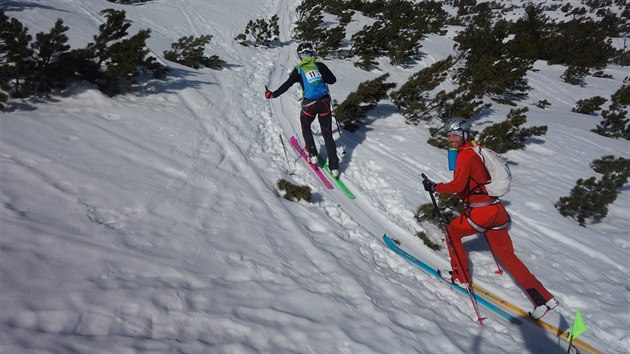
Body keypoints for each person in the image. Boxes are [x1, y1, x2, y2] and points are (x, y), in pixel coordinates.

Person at [422, 118, 559, 320]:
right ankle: (544, 299)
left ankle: (460, 277)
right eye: (449, 135)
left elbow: (458, 186)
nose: (452, 139)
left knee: (452, 233)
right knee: (508, 258)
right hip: (496, 211)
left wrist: (435, 187)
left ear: (465, 135)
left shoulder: (466, 156)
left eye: (456, 135)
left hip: (482, 213)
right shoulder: (474, 151)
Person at [265, 42, 340, 178]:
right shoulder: (319, 65)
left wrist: (273, 94)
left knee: (306, 126)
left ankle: (312, 153)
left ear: (300, 56)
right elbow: (333, 80)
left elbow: (287, 85)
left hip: (309, 104)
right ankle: (334, 167)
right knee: (327, 134)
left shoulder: (298, 69)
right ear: (312, 53)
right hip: (324, 102)